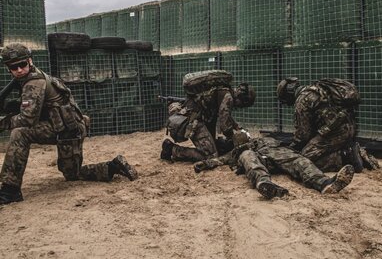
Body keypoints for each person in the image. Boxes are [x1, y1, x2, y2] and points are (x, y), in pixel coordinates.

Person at [0, 43, 138, 205]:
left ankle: (10, 190)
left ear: (29, 61)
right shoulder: (30, 77)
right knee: (73, 174)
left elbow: (28, 119)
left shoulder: (34, 83)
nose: (19, 70)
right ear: (8, 68)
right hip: (67, 128)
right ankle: (113, 167)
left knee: (20, 133)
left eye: (22, 65)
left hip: (67, 132)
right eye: (13, 67)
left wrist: (3, 123)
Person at [193, 134, 355, 200]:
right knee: (248, 157)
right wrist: (205, 164)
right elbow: (220, 160)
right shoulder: (239, 151)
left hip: (275, 153)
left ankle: (325, 184)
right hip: (259, 162)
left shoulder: (266, 140)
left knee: (298, 160)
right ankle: (265, 184)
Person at [276, 77, 379, 172]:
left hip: (335, 133)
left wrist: (292, 148)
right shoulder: (317, 89)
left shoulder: (301, 101)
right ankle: (352, 152)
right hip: (349, 128)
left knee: (303, 160)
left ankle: (346, 157)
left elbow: (303, 135)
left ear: (288, 93)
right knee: (314, 149)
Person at [160, 71, 256, 163]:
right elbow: (225, 126)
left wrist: (237, 127)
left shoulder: (224, 91)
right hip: (194, 120)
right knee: (210, 156)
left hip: (198, 118)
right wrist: (236, 138)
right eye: (242, 104)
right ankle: (172, 149)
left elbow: (226, 116)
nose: (239, 106)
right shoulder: (228, 97)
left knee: (216, 146)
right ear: (241, 99)